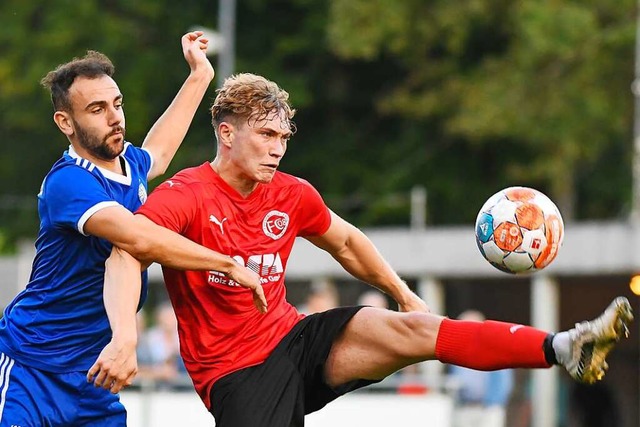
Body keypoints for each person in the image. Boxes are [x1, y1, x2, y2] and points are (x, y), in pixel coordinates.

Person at [103, 73, 634, 427]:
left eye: (284, 137)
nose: (278, 148)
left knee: (417, 329)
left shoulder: (291, 192)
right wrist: (126, 338)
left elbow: (347, 241)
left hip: (294, 337)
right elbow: (127, 253)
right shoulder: (186, 195)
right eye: (266, 135)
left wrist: (402, 293)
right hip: (234, 375)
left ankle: (563, 347)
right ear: (225, 133)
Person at [0, 34, 265, 427]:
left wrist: (199, 75)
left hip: (96, 374)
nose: (114, 117)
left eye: (117, 104)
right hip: (33, 368)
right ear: (65, 122)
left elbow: (158, 152)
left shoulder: (129, 165)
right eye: (97, 109)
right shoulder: (68, 183)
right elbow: (138, 238)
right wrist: (227, 264)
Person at [448, 310, 514, 427]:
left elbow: (503, 382)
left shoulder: (494, 350)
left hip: (489, 409)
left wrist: (492, 403)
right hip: (465, 408)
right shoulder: (456, 353)